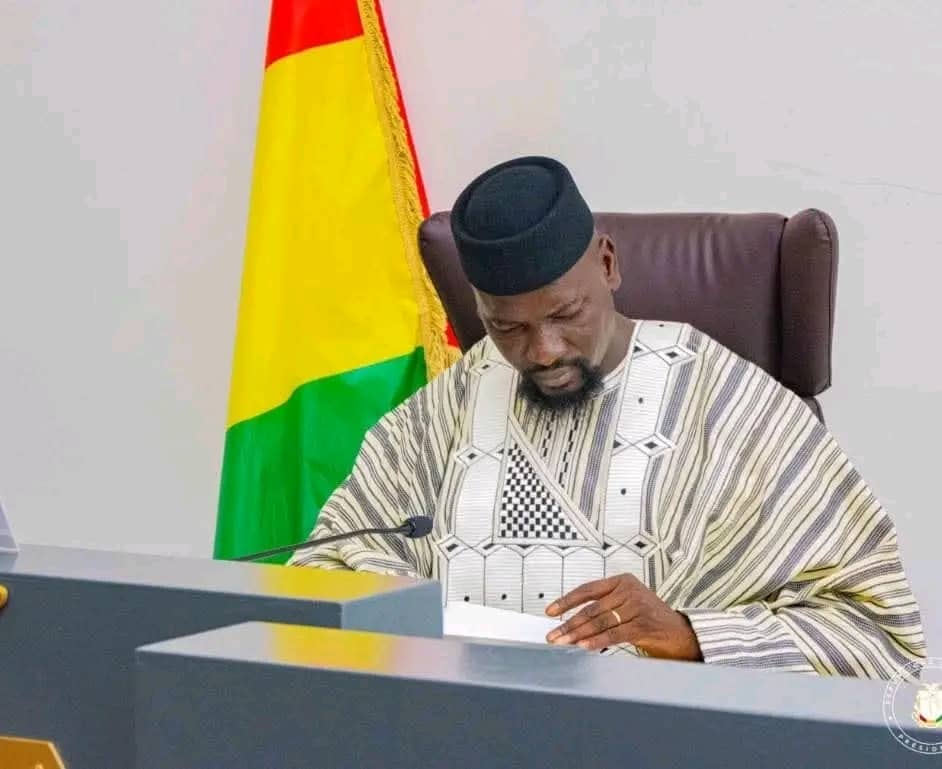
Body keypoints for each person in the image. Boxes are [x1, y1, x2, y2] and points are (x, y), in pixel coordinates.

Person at [290, 156, 925, 677]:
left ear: (608, 264)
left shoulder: (728, 402)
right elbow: (328, 570)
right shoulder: (447, 407)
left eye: (565, 315)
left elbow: (875, 631)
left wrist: (689, 634)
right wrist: (406, 622)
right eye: (507, 328)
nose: (544, 352)